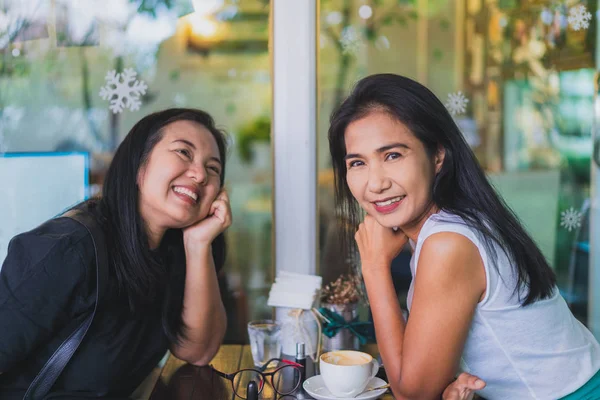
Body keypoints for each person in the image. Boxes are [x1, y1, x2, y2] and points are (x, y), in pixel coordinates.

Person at [328, 74, 600, 399]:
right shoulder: (459, 222)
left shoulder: (449, 243)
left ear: (437, 155)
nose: (375, 183)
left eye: (393, 155)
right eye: (358, 163)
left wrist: (373, 266)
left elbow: (412, 392)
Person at [0, 108, 231, 399]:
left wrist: (199, 245)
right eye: (184, 152)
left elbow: (198, 351)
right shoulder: (69, 250)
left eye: (213, 169)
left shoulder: (172, 252)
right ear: (138, 164)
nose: (200, 174)